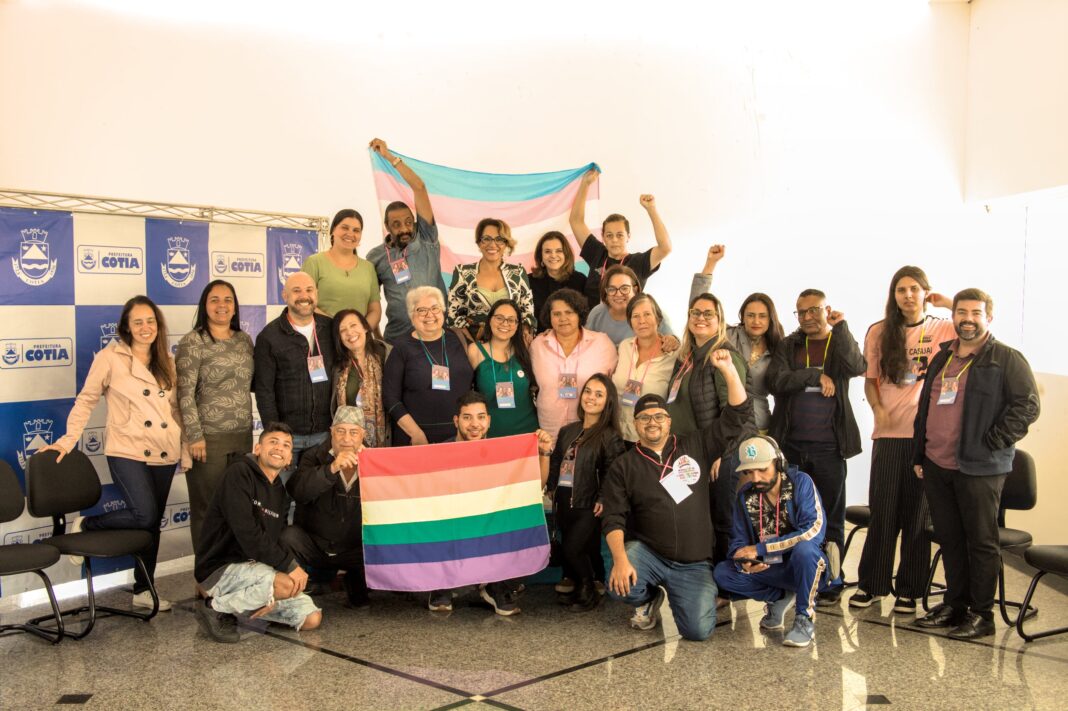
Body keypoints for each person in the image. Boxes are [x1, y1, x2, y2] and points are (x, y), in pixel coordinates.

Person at [913, 288, 1040, 639]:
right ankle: (955, 605)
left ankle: (982, 615)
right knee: (950, 540)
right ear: (953, 316)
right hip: (938, 463)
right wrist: (919, 454)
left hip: (981, 467)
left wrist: (993, 441)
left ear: (989, 318)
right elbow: (926, 407)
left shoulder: (1006, 358)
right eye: (961, 312)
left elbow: (1028, 406)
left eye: (975, 313)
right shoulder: (943, 357)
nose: (967, 319)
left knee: (981, 542)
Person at [600, 350, 752, 641]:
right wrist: (620, 560)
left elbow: (737, 416)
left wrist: (729, 370)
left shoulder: (696, 444)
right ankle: (648, 598)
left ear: (669, 421)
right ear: (635, 424)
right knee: (620, 584)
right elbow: (613, 518)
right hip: (650, 555)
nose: (652, 422)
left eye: (659, 416)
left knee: (698, 631)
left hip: (694, 563)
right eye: (644, 418)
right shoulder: (624, 465)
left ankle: (686, 596)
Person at [44, 295, 182, 612]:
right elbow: (86, 400)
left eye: (150, 321)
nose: (145, 327)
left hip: (165, 450)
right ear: (126, 327)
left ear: (158, 325)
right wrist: (67, 440)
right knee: (144, 514)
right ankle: (87, 526)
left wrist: (184, 449)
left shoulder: (167, 360)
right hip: (127, 448)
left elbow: (175, 410)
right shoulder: (110, 357)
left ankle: (143, 589)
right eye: (138, 322)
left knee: (151, 525)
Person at [850, 267, 954, 614]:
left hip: (926, 438)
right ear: (893, 295)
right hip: (889, 435)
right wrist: (878, 410)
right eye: (901, 290)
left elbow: (980, 325)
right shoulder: (879, 331)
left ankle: (909, 590)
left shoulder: (942, 327)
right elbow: (870, 381)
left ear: (926, 292)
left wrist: (948, 302)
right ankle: (872, 585)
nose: (908, 295)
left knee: (917, 517)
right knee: (883, 513)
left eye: (914, 289)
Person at [766, 288, 866, 605]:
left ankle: (832, 580)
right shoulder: (789, 345)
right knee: (795, 516)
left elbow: (857, 366)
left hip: (830, 447)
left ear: (827, 310)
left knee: (831, 519)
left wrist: (842, 327)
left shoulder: (838, 341)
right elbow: (775, 381)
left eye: (814, 310)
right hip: (792, 445)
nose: (808, 317)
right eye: (801, 312)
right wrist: (813, 375)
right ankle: (801, 574)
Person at [426, 392, 554, 615]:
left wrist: (544, 453)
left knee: (516, 517)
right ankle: (441, 584)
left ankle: (496, 585)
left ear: (489, 420)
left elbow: (534, 488)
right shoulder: (440, 453)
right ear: (456, 421)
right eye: (467, 417)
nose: (474, 424)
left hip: (488, 525)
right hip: (453, 525)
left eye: (481, 417)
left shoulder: (501, 453)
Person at [192, 423, 322, 643]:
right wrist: (288, 568)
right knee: (286, 583)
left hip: (256, 570)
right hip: (221, 568)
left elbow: (276, 540)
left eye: (286, 445)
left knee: (311, 618)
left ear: (289, 459)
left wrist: (273, 592)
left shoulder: (280, 492)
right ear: (258, 448)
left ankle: (252, 602)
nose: (279, 448)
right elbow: (247, 533)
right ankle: (214, 607)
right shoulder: (239, 473)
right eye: (273, 442)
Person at [713, 436, 833, 648]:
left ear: (779, 464)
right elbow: (737, 541)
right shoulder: (745, 496)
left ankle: (804, 618)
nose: (755, 478)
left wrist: (760, 548)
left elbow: (813, 531)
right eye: (749, 472)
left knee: (805, 550)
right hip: (770, 568)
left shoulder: (801, 483)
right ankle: (780, 597)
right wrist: (744, 561)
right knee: (723, 573)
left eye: (762, 469)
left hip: (807, 567)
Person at [666, 289, 753, 565]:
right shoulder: (688, 356)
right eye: (695, 312)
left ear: (720, 320)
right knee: (690, 514)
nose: (700, 318)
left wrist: (719, 453)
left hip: (718, 454)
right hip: (688, 452)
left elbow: (736, 413)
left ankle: (725, 580)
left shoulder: (723, 356)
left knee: (721, 519)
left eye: (708, 314)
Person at [176, 280, 255, 552]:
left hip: (242, 437)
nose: (222, 305)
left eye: (228, 300)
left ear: (235, 307)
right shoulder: (193, 341)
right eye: (215, 300)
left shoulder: (244, 340)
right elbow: (184, 394)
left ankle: (232, 566)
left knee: (238, 504)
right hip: (208, 439)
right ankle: (205, 569)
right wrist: (194, 436)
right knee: (207, 508)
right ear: (204, 305)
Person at [546, 374, 626, 611]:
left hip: (588, 503)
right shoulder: (567, 430)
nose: (591, 397)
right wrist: (551, 486)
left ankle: (588, 590)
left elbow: (614, 472)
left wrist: (603, 497)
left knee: (572, 548)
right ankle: (583, 586)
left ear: (607, 402)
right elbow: (556, 461)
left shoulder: (610, 435)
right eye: (588, 391)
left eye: (599, 394)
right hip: (563, 500)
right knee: (578, 548)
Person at [281, 407, 369, 608]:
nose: (346, 438)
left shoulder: (374, 460)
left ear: (363, 434)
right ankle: (292, 591)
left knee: (361, 602)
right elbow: (298, 491)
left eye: (354, 432)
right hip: (315, 546)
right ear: (331, 432)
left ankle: (354, 581)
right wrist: (331, 469)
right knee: (287, 537)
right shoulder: (313, 456)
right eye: (340, 431)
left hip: (354, 550)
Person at [690, 245, 784, 432]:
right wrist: (710, 263)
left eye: (762, 316)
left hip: (760, 425)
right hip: (725, 423)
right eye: (750, 315)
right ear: (743, 316)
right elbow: (699, 305)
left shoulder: (778, 349)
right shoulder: (727, 335)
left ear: (771, 319)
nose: (756, 321)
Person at [365, 138, 447, 344]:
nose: (404, 229)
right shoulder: (375, 256)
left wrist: (388, 156)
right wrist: (377, 338)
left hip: (435, 335)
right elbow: (370, 300)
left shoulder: (426, 238)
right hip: (397, 340)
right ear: (387, 226)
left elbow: (419, 187)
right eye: (396, 224)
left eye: (408, 222)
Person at [253, 271, 336, 471]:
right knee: (281, 491)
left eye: (309, 290)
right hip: (287, 440)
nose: (304, 296)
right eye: (296, 290)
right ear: (285, 296)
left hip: (324, 436)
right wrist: (276, 438)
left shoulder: (331, 329)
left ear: (316, 294)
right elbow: (264, 392)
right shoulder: (269, 337)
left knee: (317, 491)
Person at [383, 286, 474, 446]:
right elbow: (390, 398)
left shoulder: (459, 339)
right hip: (417, 439)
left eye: (434, 308)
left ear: (443, 311)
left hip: (460, 436)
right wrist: (415, 433)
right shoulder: (401, 348)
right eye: (421, 310)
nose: (429, 315)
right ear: (411, 315)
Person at [569, 169, 672, 308]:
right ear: (603, 237)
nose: (614, 240)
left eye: (619, 235)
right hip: (593, 320)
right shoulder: (597, 253)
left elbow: (665, 248)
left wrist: (651, 209)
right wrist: (585, 184)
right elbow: (576, 221)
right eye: (609, 235)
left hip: (626, 320)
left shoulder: (638, 262)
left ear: (628, 237)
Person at [528, 288, 618, 442]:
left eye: (569, 312)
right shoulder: (537, 345)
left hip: (590, 431)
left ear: (579, 314)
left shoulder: (602, 344)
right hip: (549, 430)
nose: (563, 318)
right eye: (556, 314)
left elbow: (614, 384)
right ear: (549, 317)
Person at [446, 218, 535, 342]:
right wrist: (472, 345)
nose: (492, 245)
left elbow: (527, 313)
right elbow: (453, 316)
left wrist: (524, 334)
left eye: (499, 239)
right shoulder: (463, 273)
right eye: (486, 239)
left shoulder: (518, 273)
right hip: (474, 342)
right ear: (479, 242)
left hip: (511, 342)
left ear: (506, 243)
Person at [467, 299, 539, 438]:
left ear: (517, 325)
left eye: (511, 320)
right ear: (490, 320)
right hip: (490, 432)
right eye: (499, 318)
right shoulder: (475, 351)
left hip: (528, 431)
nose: (505, 323)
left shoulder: (526, 349)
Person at [611, 294, 678, 443]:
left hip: (650, 440)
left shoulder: (674, 354)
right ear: (630, 322)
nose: (641, 321)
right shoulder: (624, 346)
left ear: (658, 318)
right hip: (616, 435)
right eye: (635, 316)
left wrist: (676, 339)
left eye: (647, 314)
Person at [300, 209, 382, 327]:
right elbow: (305, 303)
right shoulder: (314, 262)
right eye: (345, 228)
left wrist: (361, 331)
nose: (350, 234)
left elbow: (375, 310)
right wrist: (339, 328)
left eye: (356, 230)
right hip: (323, 334)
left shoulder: (368, 268)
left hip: (359, 337)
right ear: (333, 230)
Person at [331, 308, 388, 448]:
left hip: (385, 437)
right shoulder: (337, 367)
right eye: (343, 330)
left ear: (365, 328)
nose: (350, 332)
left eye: (353, 325)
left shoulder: (386, 355)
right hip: (349, 442)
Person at [585, 265, 673, 346]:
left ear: (635, 290)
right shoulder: (597, 314)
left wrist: (672, 340)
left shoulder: (653, 312)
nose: (618, 294)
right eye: (612, 289)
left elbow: (673, 342)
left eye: (624, 288)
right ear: (605, 292)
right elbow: (585, 344)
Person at [527, 231, 587, 333]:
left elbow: (585, 315)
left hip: (573, 338)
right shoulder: (528, 281)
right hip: (539, 338)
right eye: (548, 251)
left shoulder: (580, 280)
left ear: (566, 254)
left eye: (559, 251)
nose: (553, 255)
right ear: (541, 256)